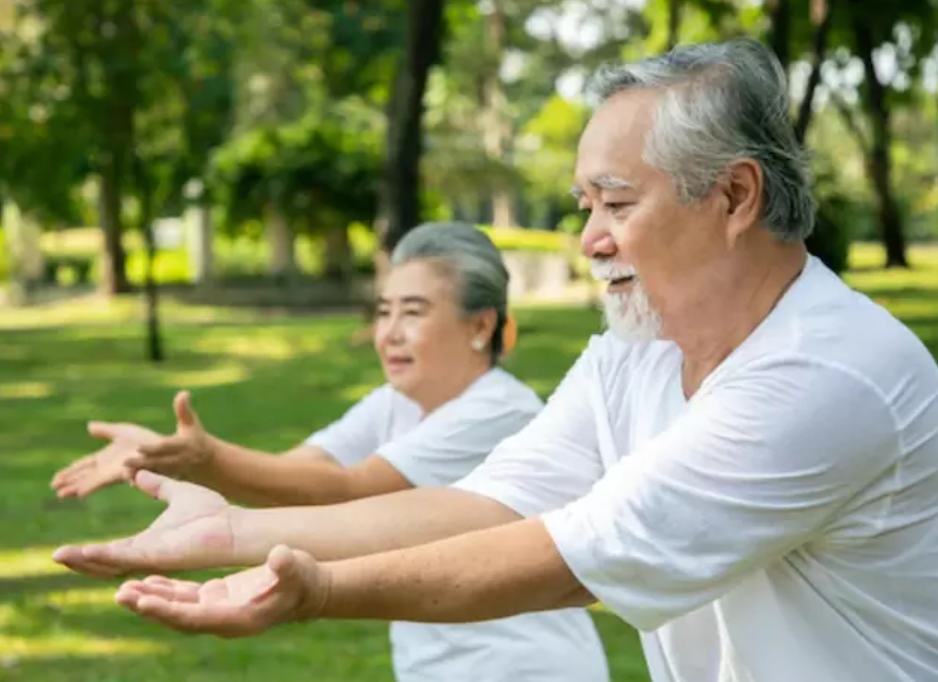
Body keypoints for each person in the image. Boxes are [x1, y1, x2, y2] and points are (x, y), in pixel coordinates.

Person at [54, 38, 938, 682]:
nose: (590, 239)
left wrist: (318, 589)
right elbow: (486, 506)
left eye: (617, 203)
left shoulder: (826, 373)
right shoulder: (632, 353)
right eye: (583, 203)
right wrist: (233, 532)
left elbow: (569, 554)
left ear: (736, 195)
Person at [49, 221, 610, 682]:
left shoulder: (497, 409)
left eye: (412, 313)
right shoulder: (395, 402)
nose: (387, 332)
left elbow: (349, 491)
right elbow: (299, 472)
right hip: (437, 662)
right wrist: (175, 456)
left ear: (480, 325)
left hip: (523, 668)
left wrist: (209, 460)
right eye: (384, 311)